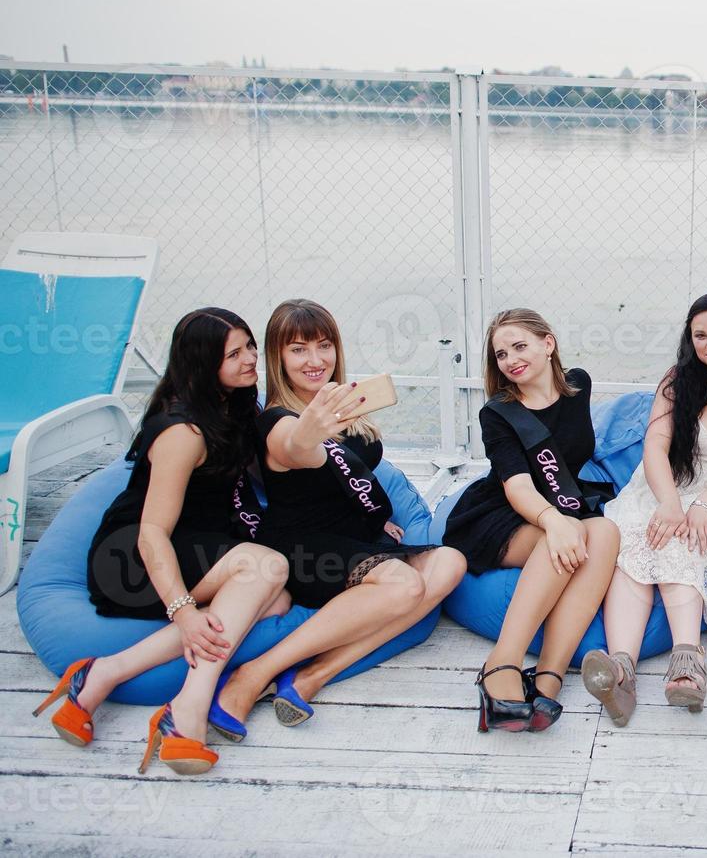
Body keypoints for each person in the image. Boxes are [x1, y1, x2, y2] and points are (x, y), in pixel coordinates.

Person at [35, 309, 290, 776]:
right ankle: (188, 708)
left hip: (194, 541)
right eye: (234, 353)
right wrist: (184, 611)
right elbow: (152, 531)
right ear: (201, 362)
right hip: (132, 557)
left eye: (250, 346)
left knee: (276, 602)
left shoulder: (231, 403)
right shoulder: (183, 430)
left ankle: (105, 672)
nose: (251, 358)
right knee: (267, 568)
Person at [211, 300, 466, 734]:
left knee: (450, 562)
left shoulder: (344, 407)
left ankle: (313, 675)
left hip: (354, 540)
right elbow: (297, 447)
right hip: (303, 550)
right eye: (298, 349)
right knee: (405, 586)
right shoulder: (277, 421)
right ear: (277, 357)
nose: (314, 360)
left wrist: (374, 517)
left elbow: (347, 477)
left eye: (323, 345)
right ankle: (253, 673)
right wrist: (311, 427)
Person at [582, 292, 707, 723]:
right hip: (666, 482)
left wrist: (702, 504)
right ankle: (621, 671)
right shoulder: (678, 379)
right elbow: (656, 444)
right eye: (700, 334)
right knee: (634, 540)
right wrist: (669, 501)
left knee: (684, 540)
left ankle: (688, 662)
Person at [444, 309, 620, 732]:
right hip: (501, 513)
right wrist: (554, 521)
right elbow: (518, 488)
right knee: (565, 539)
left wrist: (562, 517)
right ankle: (500, 666)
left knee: (606, 532)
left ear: (548, 343)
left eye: (519, 346)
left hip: (561, 501)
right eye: (501, 354)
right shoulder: (498, 413)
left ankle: (547, 678)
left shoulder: (579, 385)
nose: (510, 360)